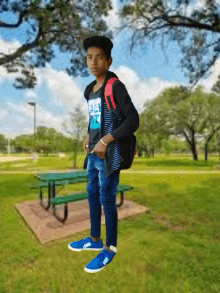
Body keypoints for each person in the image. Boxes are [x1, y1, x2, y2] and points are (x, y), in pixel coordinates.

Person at [68, 36, 139, 273]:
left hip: (111, 155)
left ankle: (109, 249)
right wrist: (90, 135)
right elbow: (95, 118)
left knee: (107, 200)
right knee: (92, 195)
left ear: (108, 61)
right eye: (89, 57)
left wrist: (107, 140)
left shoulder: (115, 87)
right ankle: (94, 239)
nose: (93, 62)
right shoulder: (89, 90)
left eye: (99, 57)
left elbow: (133, 119)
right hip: (93, 156)